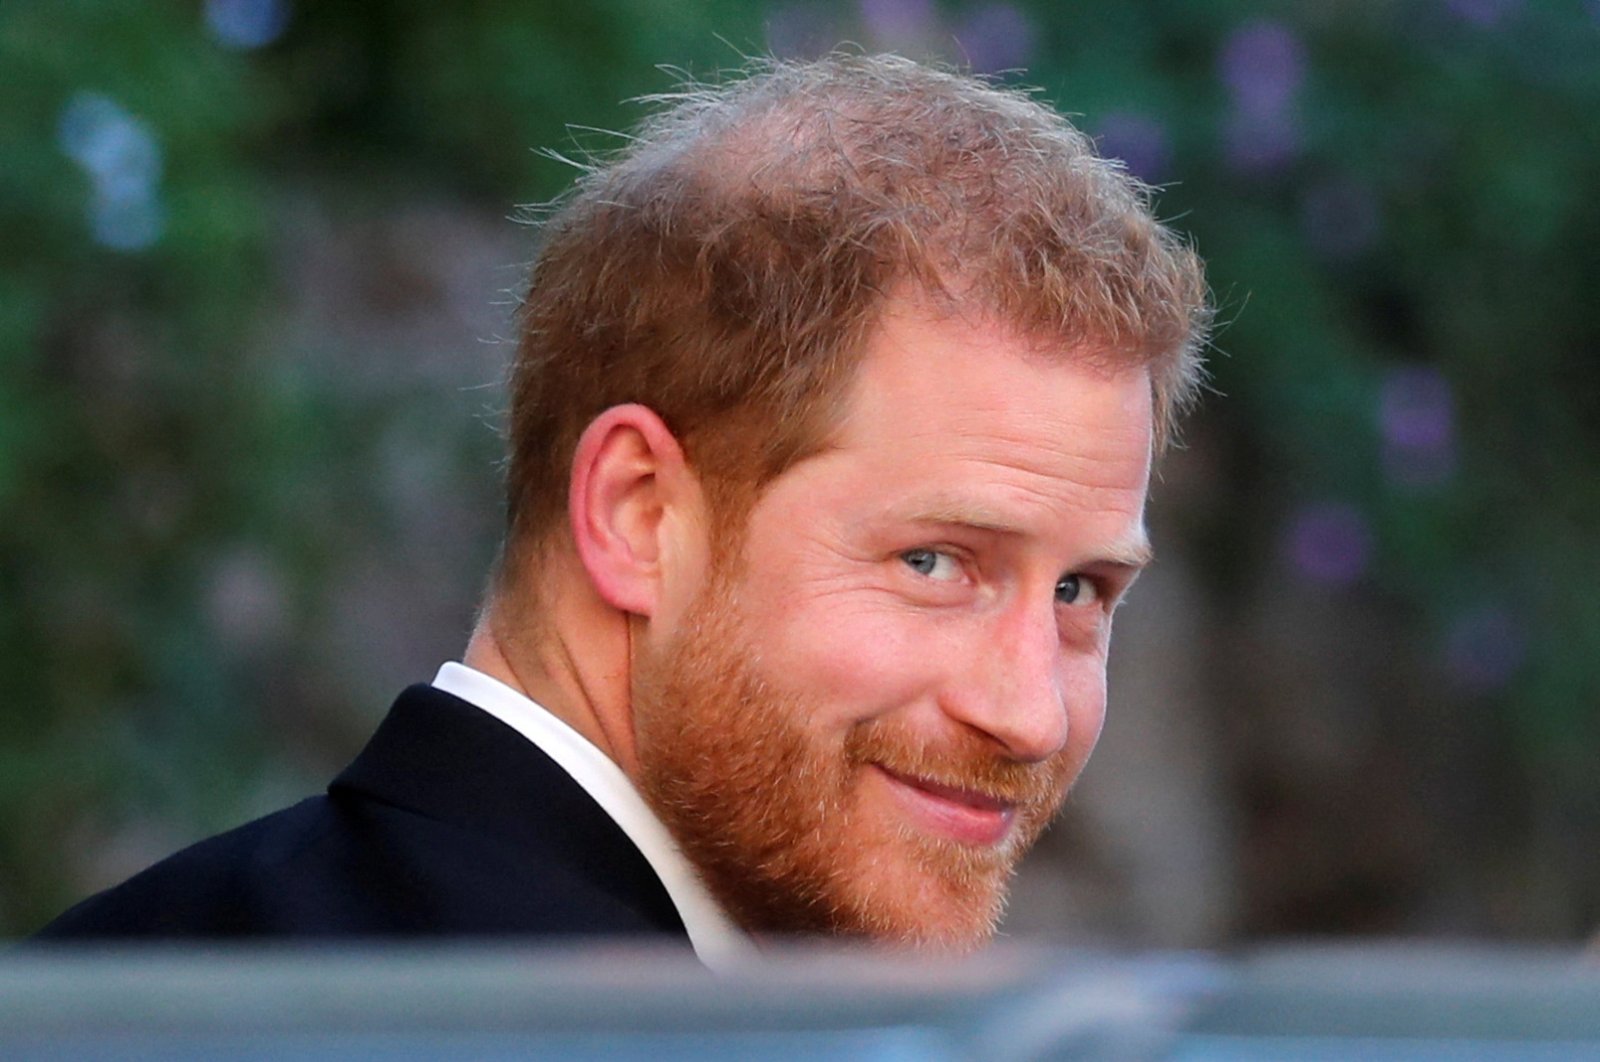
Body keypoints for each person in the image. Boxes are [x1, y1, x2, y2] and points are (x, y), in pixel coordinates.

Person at [36, 54, 1210, 966]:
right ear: (638, 513)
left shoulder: (133, 964)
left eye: (1078, 590)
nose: (1030, 714)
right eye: (936, 561)